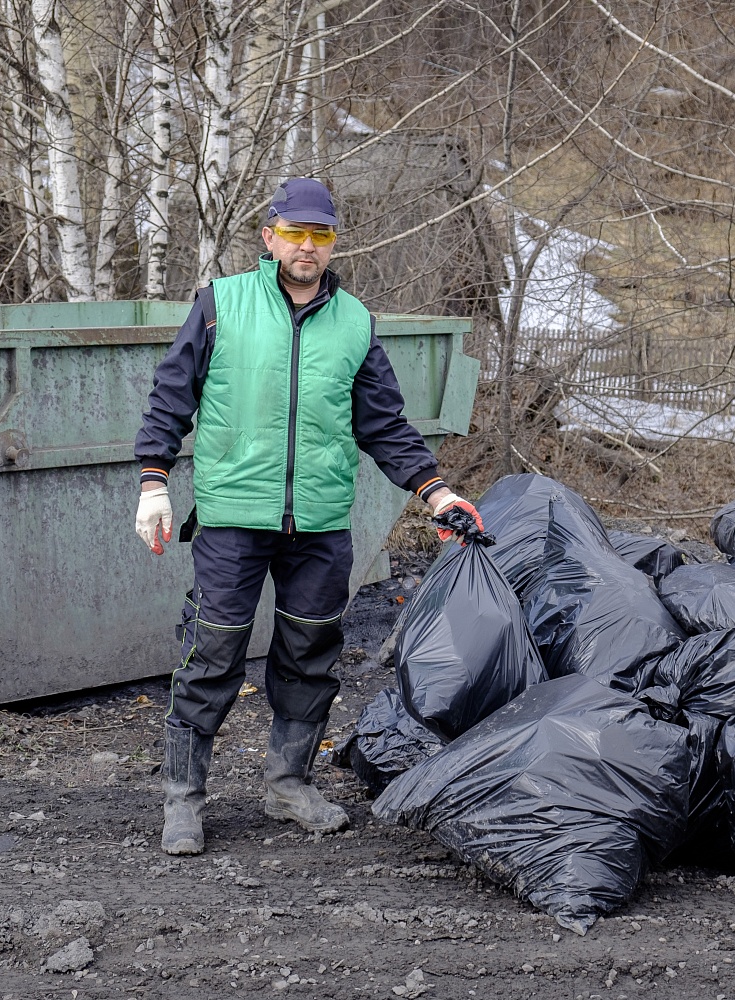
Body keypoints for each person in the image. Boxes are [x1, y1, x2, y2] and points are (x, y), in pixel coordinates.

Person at [133, 177, 482, 856]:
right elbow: (171, 394)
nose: (306, 246)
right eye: (294, 232)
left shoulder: (353, 321)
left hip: (319, 525)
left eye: (320, 234)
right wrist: (153, 480)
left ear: (333, 243)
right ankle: (183, 799)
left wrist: (436, 492)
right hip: (234, 517)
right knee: (212, 654)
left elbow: (383, 421)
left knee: (309, 654)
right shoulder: (221, 304)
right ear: (269, 237)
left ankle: (288, 784)